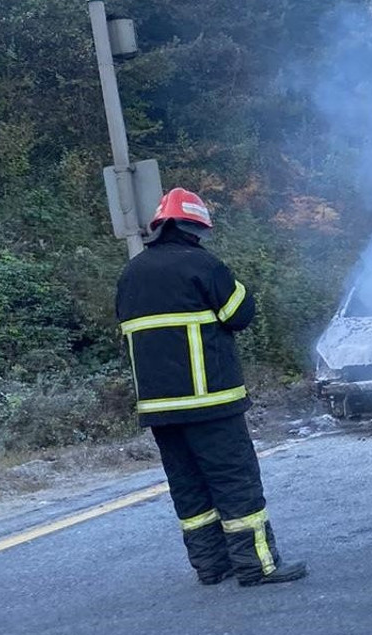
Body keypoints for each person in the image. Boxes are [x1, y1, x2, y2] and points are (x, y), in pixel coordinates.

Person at [115, 187, 307, 587]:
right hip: (211, 403)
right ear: (195, 228)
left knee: (189, 488)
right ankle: (257, 566)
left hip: (160, 410)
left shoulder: (130, 274)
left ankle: (210, 566)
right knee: (234, 481)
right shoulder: (203, 265)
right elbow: (240, 314)